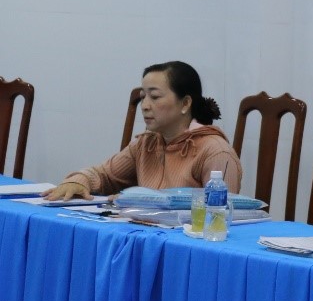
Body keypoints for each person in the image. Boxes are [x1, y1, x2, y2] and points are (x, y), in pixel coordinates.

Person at [45, 61, 242, 200]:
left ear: (185, 103)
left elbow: (221, 216)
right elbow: (105, 175)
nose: (145, 106)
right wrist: (79, 181)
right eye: (142, 97)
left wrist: (139, 203)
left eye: (154, 97)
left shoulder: (215, 152)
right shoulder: (145, 144)